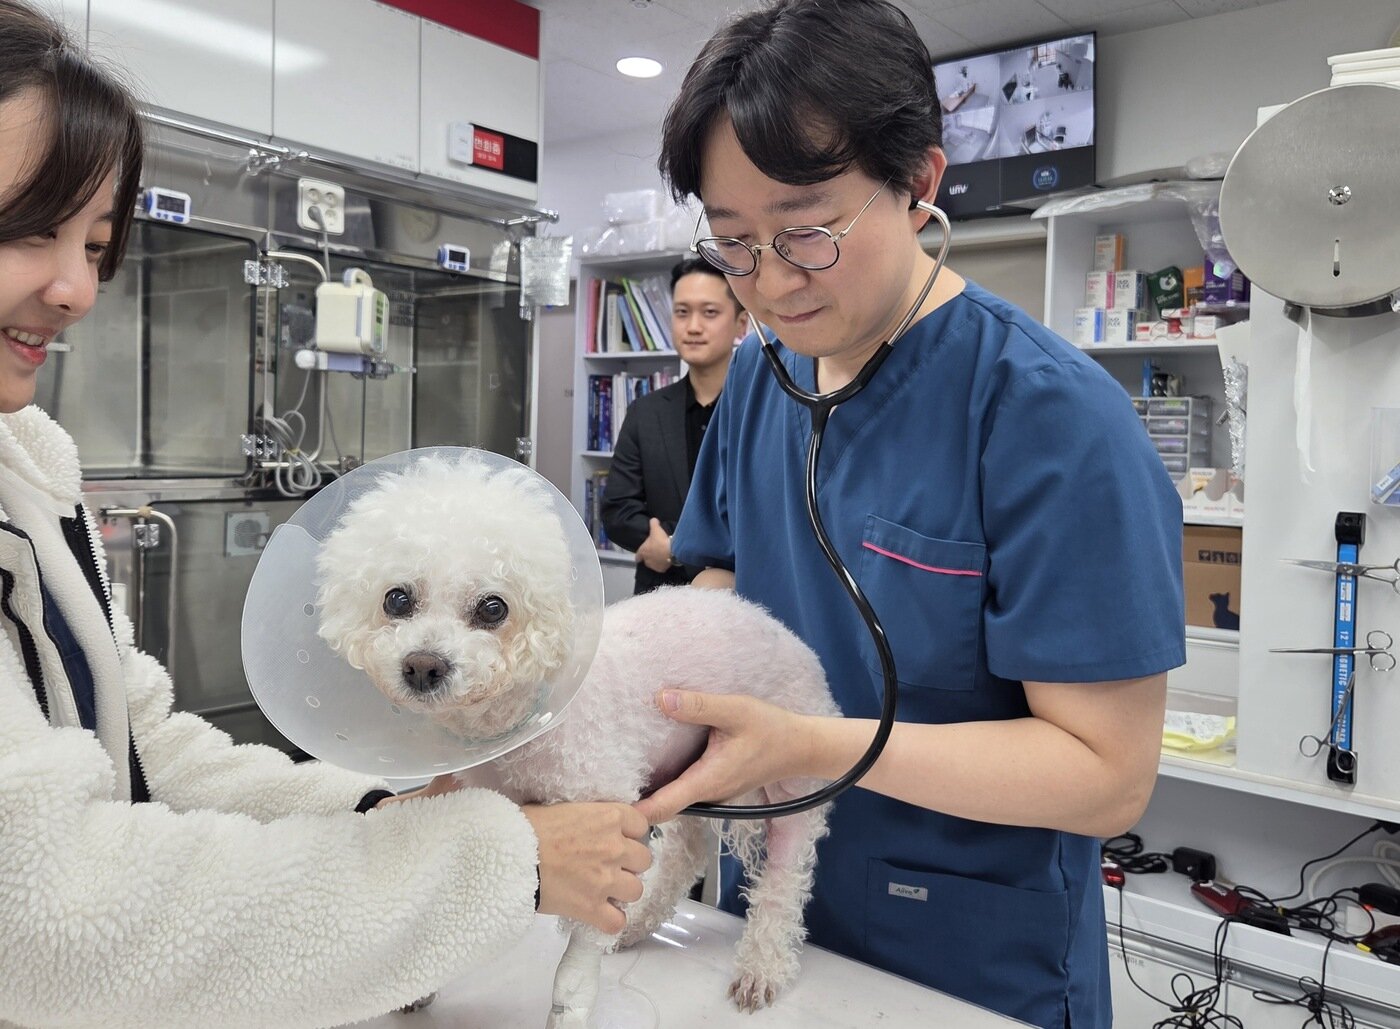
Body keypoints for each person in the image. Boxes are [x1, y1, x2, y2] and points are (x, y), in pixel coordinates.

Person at [0, 3, 649, 1025]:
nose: (78, 288)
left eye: (96, 242)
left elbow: (146, 747)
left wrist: (368, 813)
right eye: (31, 229)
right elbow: (41, 916)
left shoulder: (26, 468)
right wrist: (496, 863)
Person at [633, 2, 1184, 1026]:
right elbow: (717, 585)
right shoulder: (760, 380)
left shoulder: (1052, 421)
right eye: (735, 242)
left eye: (806, 229)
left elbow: (1105, 778)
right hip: (767, 915)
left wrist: (800, 743)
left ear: (919, 183)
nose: (770, 281)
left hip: (966, 954)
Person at [601, 257, 746, 594]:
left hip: (742, 599)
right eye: (682, 312)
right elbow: (618, 510)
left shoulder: (762, 411)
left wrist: (675, 545)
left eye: (709, 312)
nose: (693, 326)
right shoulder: (645, 411)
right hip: (659, 597)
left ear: (741, 324)